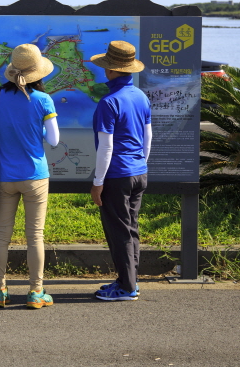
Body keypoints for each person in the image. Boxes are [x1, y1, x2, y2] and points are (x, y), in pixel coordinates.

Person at [0, 43, 59, 309]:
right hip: (35, 175)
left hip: (4, 175)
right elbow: (55, 140)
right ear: (38, 72)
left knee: (2, 235)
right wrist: (35, 132)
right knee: (35, 236)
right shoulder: (43, 100)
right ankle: (36, 293)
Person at [89, 41, 152, 302]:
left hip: (116, 175)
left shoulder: (109, 102)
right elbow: (148, 137)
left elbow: (106, 147)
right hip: (139, 172)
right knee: (131, 229)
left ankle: (126, 289)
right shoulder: (140, 96)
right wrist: (140, 165)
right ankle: (129, 282)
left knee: (119, 233)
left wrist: (97, 182)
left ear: (111, 70)